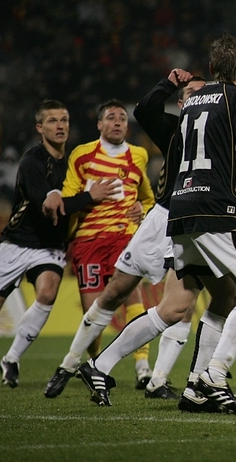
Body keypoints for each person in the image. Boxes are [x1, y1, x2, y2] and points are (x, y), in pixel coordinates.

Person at [78, 33, 236, 414]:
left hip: (181, 209)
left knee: (187, 304)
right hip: (217, 210)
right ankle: (214, 376)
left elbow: (156, 120)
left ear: (210, 68)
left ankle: (110, 367)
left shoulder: (191, 104)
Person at [43, 71, 206, 400]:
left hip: (188, 223)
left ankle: (154, 378)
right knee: (116, 293)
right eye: (192, 94)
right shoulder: (173, 129)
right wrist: (168, 83)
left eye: (205, 94)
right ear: (180, 103)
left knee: (182, 304)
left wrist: (140, 207)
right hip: (153, 223)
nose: (200, 99)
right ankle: (72, 364)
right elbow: (145, 110)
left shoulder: (214, 132)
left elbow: (144, 193)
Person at [0, 101, 116, 388]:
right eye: (52, 121)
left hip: (50, 247)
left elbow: (88, 198)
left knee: (48, 292)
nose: (60, 126)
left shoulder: (74, 162)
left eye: (64, 120)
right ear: (40, 128)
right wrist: (89, 197)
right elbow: (50, 207)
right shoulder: (32, 161)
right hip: (16, 243)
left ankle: (11, 359)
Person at [50, 100, 155, 390]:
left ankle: (143, 367)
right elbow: (67, 201)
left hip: (125, 238)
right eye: (111, 117)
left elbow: (148, 198)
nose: (118, 122)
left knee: (134, 300)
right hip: (89, 241)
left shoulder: (138, 156)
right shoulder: (82, 155)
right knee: (94, 314)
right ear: (99, 124)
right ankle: (95, 365)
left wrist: (142, 208)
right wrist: (90, 196)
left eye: (122, 118)